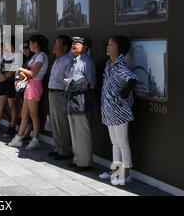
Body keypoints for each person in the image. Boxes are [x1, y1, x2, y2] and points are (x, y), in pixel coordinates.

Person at [99, 36, 137, 186]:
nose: (108, 47)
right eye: (107, 44)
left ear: (119, 48)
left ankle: (125, 174)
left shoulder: (120, 65)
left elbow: (132, 79)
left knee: (122, 142)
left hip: (119, 110)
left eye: (111, 45)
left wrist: (124, 92)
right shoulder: (109, 64)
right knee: (114, 142)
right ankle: (115, 171)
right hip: (108, 109)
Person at [9, 35, 49, 150]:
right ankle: (18, 138)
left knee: (33, 114)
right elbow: (30, 72)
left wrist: (21, 69)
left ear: (36, 44)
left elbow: (33, 73)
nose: (29, 46)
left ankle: (36, 138)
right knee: (24, 114)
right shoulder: (35, 56)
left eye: (31, 43)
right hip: (29, 85)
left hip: (35, 86)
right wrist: (23, 72)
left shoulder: (41, 56)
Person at [64, 36, 97, 172]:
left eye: (76, 43)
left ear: (85, 47)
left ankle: (85, 162)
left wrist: (72, 83)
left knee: (82, 132)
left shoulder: (87, 62)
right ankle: (77, 158)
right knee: (74, 131)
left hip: (82, 100)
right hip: (73, 99)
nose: (73, 45)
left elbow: (92, 84)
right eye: (73, 43)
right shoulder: (74, 61)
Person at [47, 35, 74, 160]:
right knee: (55, 122)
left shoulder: (68, 61)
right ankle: (58, 148)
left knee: (62, 124)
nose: (55, 45)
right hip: (52, 93)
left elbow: (70, 82)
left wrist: (67, 101)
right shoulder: (58, 59)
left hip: (61, 94)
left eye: (58, 44)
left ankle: (65, 151)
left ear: (65, 47)